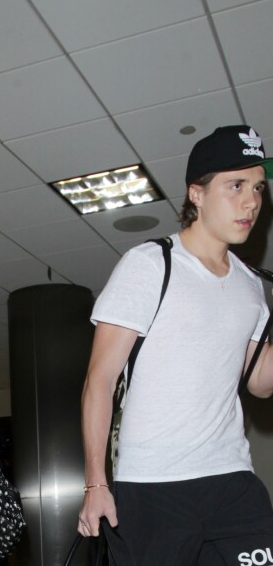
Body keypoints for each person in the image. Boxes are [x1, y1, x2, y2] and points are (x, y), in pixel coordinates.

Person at [78, 125, 273, 565]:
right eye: (236, 185)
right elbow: (100, 379)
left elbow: (259, 382)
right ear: (197, 194)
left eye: (258, 188)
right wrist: (95, 483)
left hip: (232, 480)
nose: (251, 202)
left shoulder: (251, 285)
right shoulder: (150, 264)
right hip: (153, 487)